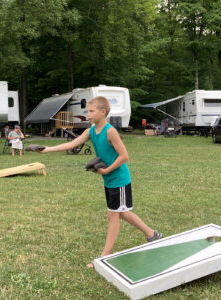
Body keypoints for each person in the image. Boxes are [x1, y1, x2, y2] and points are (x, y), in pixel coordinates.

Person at [36, 96, 163, 268]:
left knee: (113, 215)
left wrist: (107, 170)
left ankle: (105, 255)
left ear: (103, 112)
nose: (87, 114)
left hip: (119, 179)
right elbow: (73, 143)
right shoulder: (90, 131)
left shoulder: (110, 131)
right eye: (87, 111)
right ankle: (152, 234)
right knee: (122, 213)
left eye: (91, 111)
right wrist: (47, 149)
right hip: (109, 179)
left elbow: (124, 156)